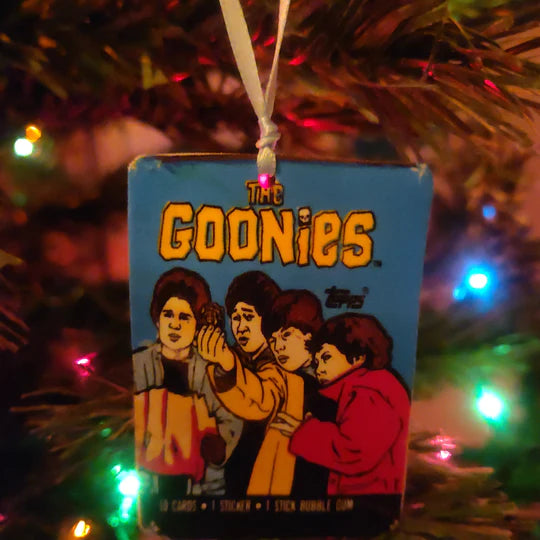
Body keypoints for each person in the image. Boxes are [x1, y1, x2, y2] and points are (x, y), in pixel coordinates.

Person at [272, 313, 410, 496]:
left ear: (358, 357)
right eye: (317, 362)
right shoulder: (363, 387)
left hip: (372, 500)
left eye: (326, 358)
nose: (319, 368)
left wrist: (304, 431)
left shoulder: (368, 391)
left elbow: (353, 452)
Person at [133, 267, 242, 496]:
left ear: (197, 324)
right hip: (146, 486)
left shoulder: (209, 370)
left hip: (202, 488)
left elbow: (230, 418)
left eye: (185, 317)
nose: (175, 324)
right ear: (157, 318)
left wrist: (219, 446)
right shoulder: (138, 364)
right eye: (168, 315)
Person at [198, 271, 303, 496]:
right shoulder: (234, 356)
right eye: (235, 317)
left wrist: (227, 365)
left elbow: (261, 402)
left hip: (269, 486)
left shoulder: (281, 363)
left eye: (248, 316)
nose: (241, 326)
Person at [264, 289, 337, 497]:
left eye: (286, 335)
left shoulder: (333, 379)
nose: (278, 347)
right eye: (273, 340)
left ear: (310, 333)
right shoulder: (283, 381)